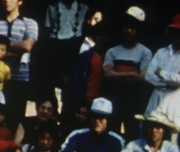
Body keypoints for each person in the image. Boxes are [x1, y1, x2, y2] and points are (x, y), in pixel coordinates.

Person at [0, 0, 39, 120]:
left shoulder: (30, 23)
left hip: (19, 78)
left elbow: (27, 45)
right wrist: (16, 52)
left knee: (15, 117)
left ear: (20, 1)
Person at [102, 8, 153, 140]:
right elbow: (107, 74)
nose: (129, 31)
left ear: (138, 30)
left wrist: (117, 74)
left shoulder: (145, 52)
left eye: (133, 28)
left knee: (133, 133)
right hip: (115, 99)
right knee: (112, 132)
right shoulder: (112, 51)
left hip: (134, 100)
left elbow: (142, 76)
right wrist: (131, 73)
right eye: (126, 28)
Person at [64, 17, 111, 129]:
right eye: (99, 35)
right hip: (87, 100)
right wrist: (78, 104)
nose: (101, 39)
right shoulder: (85, 56)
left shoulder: (112, 56)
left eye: (105, 36)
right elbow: (76, 81)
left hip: (104, 102)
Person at [41, 0, 90, 98]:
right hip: (56, 44)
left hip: (75, 44)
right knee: (52, 79)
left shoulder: (83, 8)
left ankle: (68, 109)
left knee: (70, 81)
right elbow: (47, 28)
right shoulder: (53, 7)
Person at [144, 15, 180, 127]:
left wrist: (161, 73)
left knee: (173, 130)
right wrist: (168, 83)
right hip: (157, 95)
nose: (176, 35)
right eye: (173, 31)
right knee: (149, 127)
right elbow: (148, 76)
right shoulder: (161, 52)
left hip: (175, 97)